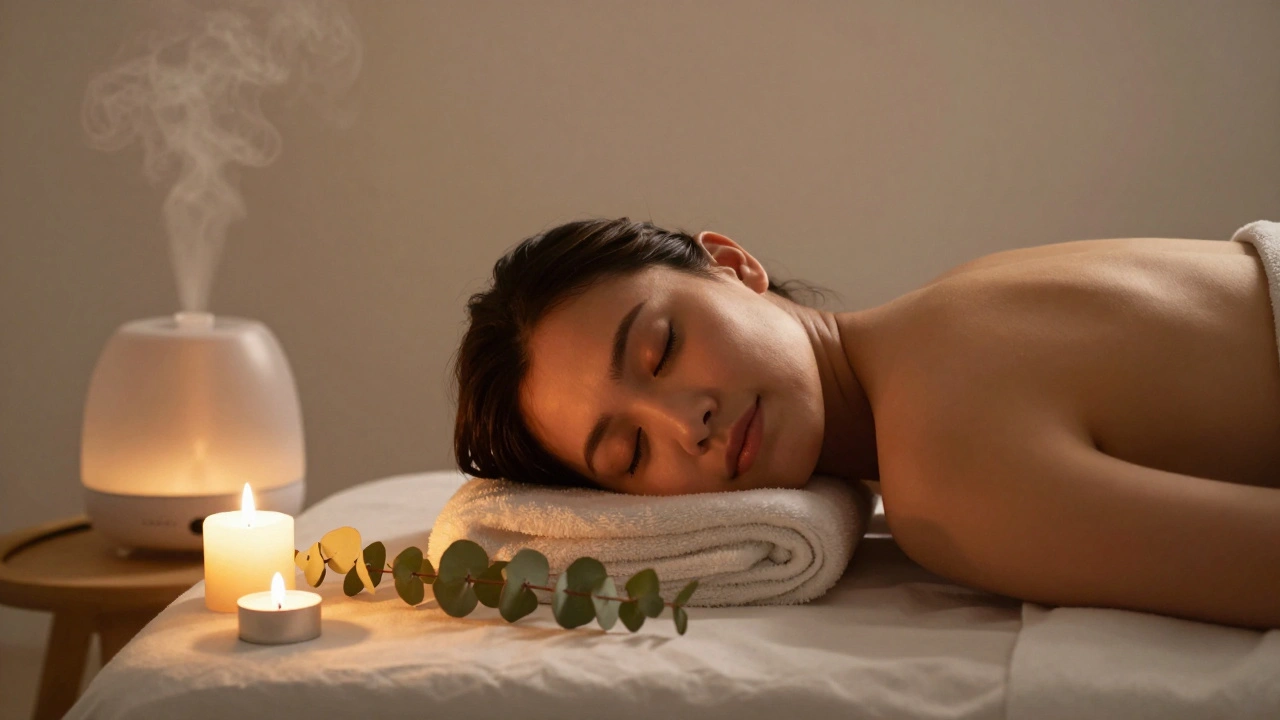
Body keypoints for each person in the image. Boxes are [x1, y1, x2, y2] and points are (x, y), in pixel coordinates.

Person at [453, 217, 1280, 630]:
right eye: (630, 452)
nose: (686, 425)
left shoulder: (943, 479)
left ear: (734, 266)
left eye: (662, 349)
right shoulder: (963, 296)